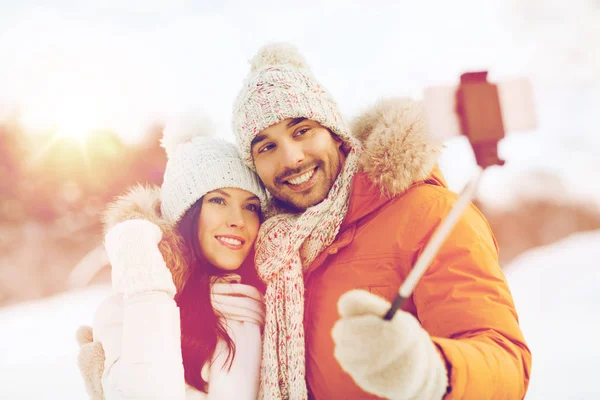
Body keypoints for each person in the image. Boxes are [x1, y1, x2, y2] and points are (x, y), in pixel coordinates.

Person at [231, 43, 531, 399]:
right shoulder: (271, 252)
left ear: (335, 134)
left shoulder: (430, 215)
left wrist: (430, 370)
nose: (292, 158)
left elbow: (505, 364)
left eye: (302, 130)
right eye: (266, 146)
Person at [76, 120, 268, 400]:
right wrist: (149, 288)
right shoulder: (128, 306)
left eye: (250, 206)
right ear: (185, 212)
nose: (238, 220)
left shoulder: (268, 307)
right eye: (218, 200)